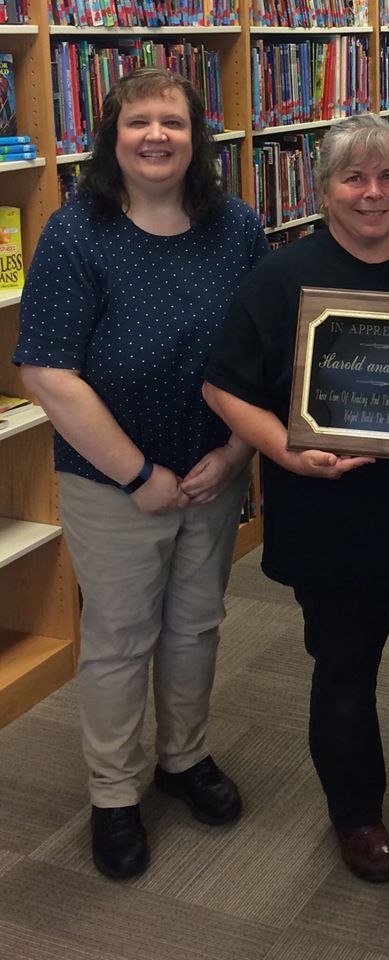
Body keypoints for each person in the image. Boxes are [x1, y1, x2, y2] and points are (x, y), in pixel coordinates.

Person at [202, 113, 389, 884]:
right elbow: (224, 386)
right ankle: (357, 814)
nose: (373, 194)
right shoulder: (280, 277)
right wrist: (287, 451)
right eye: (354, 178)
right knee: (344, 672)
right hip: (330, 520)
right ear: (324, 188)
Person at [13, 68, 269, 880]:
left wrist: (235, 452)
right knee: (122, 637)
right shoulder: (74, 232)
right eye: (137, 123)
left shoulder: (239, 228)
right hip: (113, 479)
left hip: (213, 465)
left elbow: (263, 354)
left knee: (196, 623)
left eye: (173, 122)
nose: (156, 136)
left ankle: (183, 758)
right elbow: (48, 374)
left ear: (199, 136)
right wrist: (139, 476)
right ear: (111, 138)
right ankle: (114, 793)